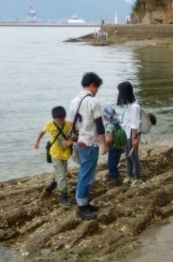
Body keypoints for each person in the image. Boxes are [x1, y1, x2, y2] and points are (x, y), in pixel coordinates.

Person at [69, 72, 108, 220]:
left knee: (83, 172)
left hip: (79, 141)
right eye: (97, 87)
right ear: (92, 85)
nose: (97, 90)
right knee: (87, 174)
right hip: (90, 142)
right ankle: (82, 206)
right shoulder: (93, 102)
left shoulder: (73, 101)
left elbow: (73, 123)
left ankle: (83, 202)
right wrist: (104, 144)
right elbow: (99, 126)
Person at [34, 106, 73, 208]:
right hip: (55, 153)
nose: (60, 122)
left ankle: (50, 186)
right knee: (61, 175)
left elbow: (74, 133)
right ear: (53, 118)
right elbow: (42, 132)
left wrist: (71, 141)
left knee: (63, 172)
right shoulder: (49, 124)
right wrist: (37, 141)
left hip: (65, 153)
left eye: (62, 120)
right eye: (58, 120)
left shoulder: (68, 124)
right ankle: (63, 196)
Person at [117, 81, 143, 187]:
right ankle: (129, 176)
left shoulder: (134, 106)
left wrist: (134, 138)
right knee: (128, 156)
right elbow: (125, 119)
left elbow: (135, 124)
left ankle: (138, 179)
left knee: (134, 157)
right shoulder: (128, 105)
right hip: (127, 134)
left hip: (132, 135)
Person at [102, 106, 124, 186]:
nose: (103, 117)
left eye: (104, 115)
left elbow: (110, 138)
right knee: (115, 164)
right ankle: (118, 177)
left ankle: (115, 182)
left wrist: (106, 145)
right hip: (120, 147)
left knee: (111, 166)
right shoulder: (117, 122)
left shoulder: (109, 126)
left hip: (114, 148)